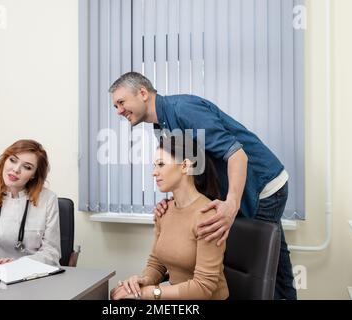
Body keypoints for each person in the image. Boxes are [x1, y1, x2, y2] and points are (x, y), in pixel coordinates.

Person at [110, 72, 296, 300]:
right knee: (276, 265)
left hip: (262, 185)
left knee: (262, 270)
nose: (118, 111)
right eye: (115, 106)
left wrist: (231, 205)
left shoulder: (184, 110)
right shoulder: (161, 125)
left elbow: (237, 155)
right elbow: (191, 168)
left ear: (142, 93)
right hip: (244, 186)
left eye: (121, 102)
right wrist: (174, 204)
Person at [111, 134, 229, 300]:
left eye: (161, 164)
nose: (154, 172)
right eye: (154, 165)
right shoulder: (164, 211)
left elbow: (203, 288)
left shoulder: (207, 215)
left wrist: (149, 293)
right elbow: (157, 262)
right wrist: (143, 282)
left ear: (185, 166)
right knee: (116, 294)